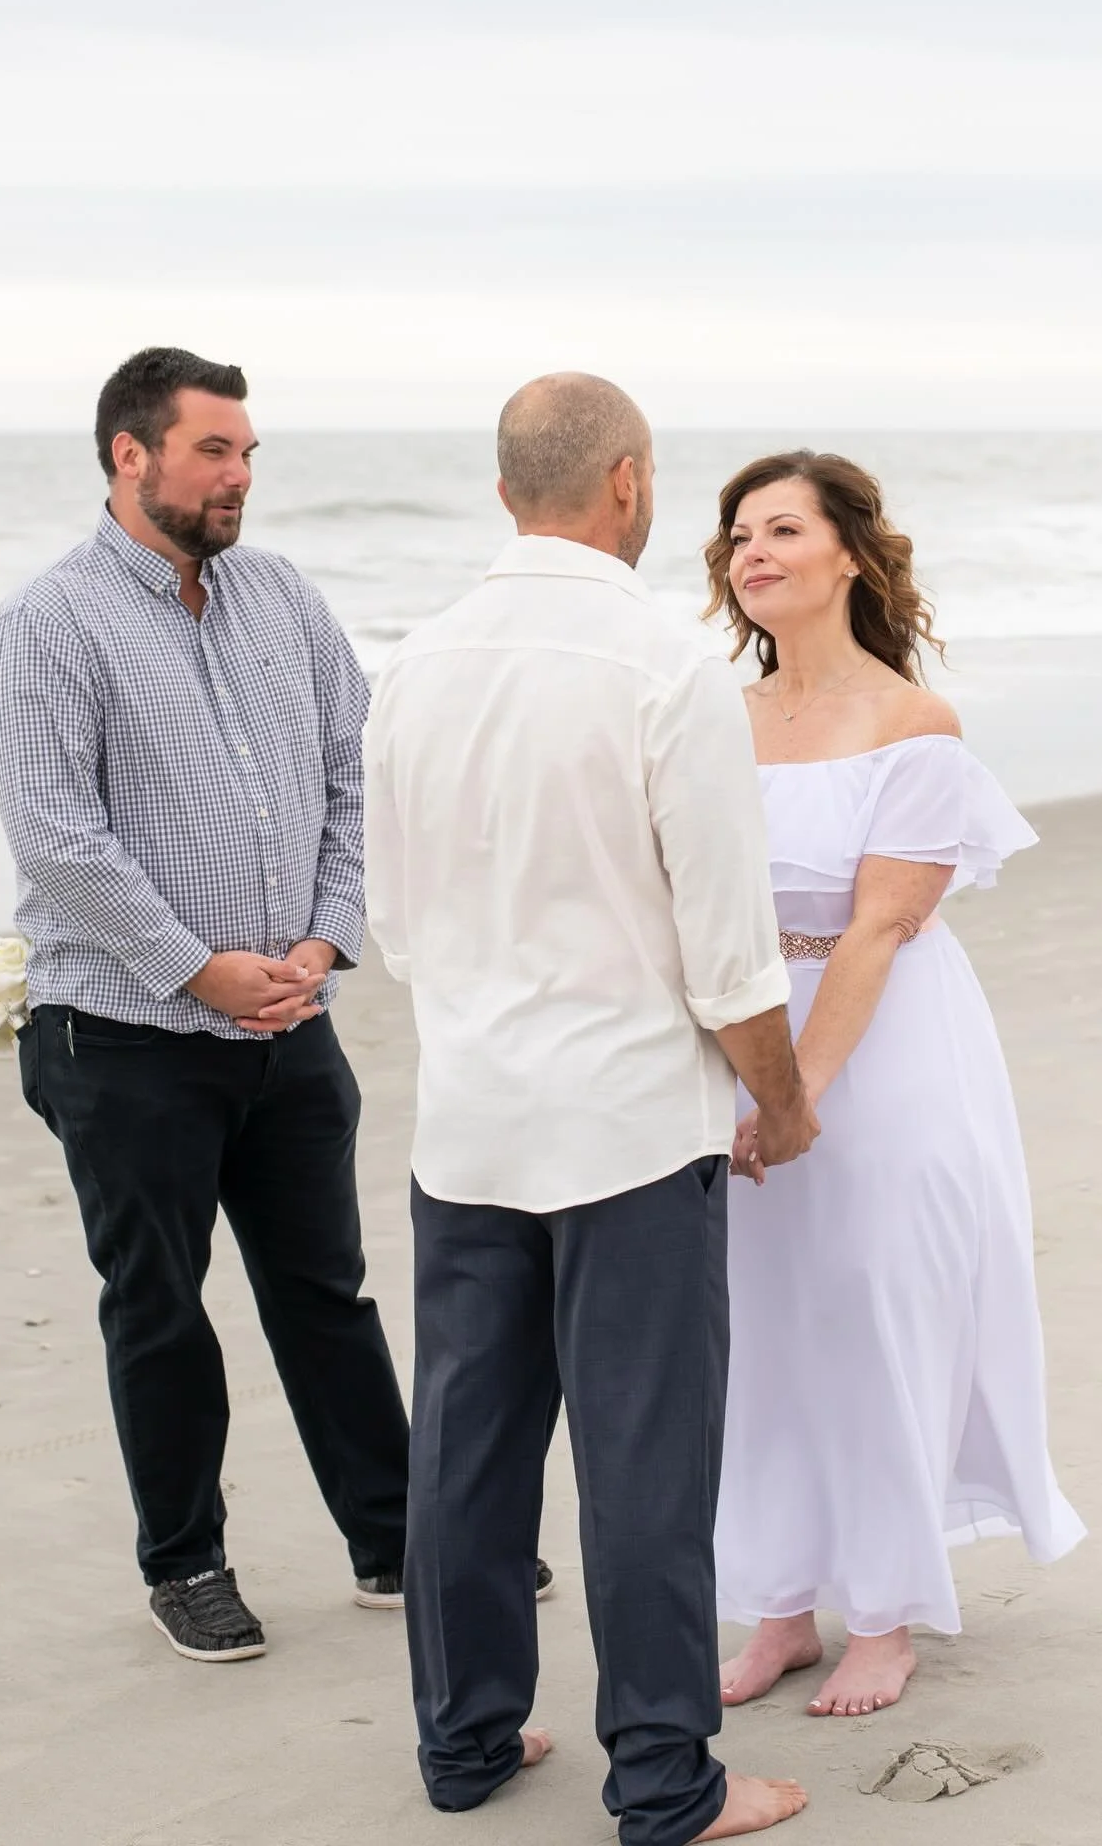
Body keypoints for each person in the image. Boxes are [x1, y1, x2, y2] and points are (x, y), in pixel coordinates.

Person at [364, 374, 818, 1846]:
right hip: (627, 1131)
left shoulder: (416, 663)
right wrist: (785, 1105)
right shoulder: (661, 664)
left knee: (468, 1451)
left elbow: (399, 920)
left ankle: (466, 1740)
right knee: (643, 1469)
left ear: (508, 493)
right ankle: (668, 1786)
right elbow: (729, 950)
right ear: (627, 484)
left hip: (472, 1123)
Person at [0, 346, 415, 1661]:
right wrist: (197, 967)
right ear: (130, 453)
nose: (238, 476)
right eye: (213, 451)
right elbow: (60, 840)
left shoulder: (282, 596)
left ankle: (397, 1541)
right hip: (121, 1042)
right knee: (158, 1306)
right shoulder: (47, 624)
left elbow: (359, 768)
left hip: (292, 1030)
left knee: (324, 1293)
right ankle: (188, 1564)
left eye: (247, 453)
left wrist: (327, 943)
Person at [704, 450, 1086, 1719]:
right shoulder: (715, 718)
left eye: (783, 530)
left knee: (874, 1310)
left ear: (852, 559)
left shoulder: (915, 727)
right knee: (755, 1325)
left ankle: (887, 1610)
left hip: (883, 1048)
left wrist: (799, 1093)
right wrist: (739, 1075)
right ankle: (776, 1607)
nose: (752, 551)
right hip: (741, 1043)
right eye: (738, 534)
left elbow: (876, 928)